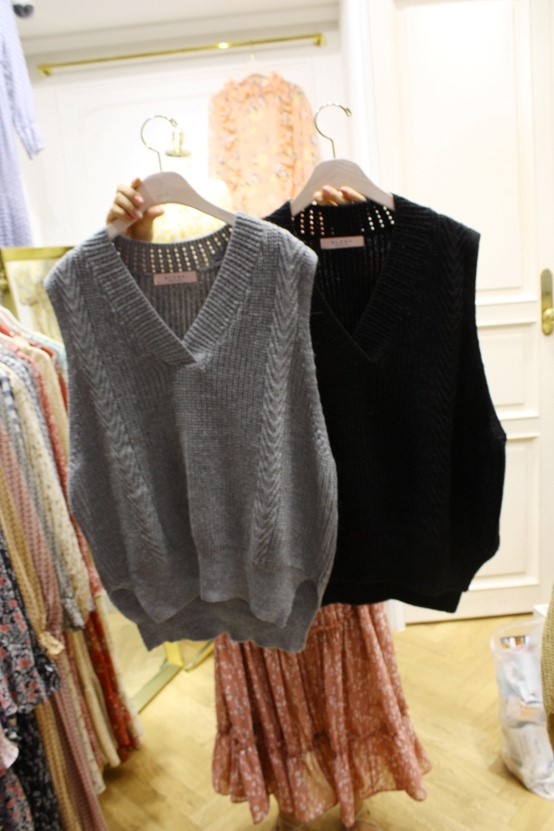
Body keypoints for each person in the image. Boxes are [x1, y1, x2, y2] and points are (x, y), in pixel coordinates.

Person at [104, 180, 431, 831]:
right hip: (235, 526)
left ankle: (348, 780)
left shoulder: (283, 261)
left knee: (339, 649)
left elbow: (373, 335)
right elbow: (144, 364)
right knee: (270, 664)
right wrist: (127, 244)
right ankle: (292, 793)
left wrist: (343, 237)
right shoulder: (208, 276)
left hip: (326, 512)